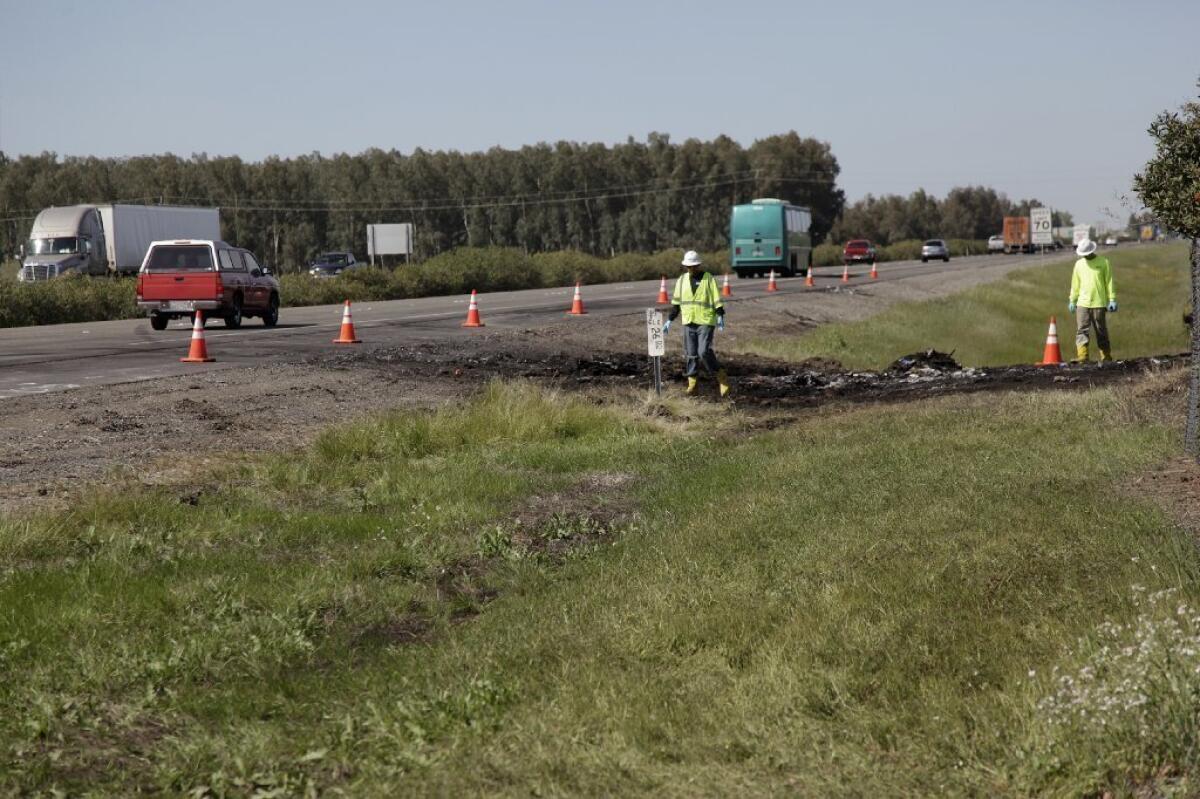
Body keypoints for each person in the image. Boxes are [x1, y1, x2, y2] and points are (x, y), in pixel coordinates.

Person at [663, 250, 729, 396]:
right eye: (688, 266)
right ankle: (692, 384)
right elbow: (677, 303)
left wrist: (720, 315)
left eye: (693, 266)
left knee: (703, 351)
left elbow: (716, 298)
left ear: (698, 265)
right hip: (688, 321)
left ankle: (721, 377)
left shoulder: (708, 278)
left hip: (705, 321)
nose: (691, 269)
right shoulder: (681, 280)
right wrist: (669, 320)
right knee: (691, 354)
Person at [1067, 238, 1117, 362]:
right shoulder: (1078, 265)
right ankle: (1082, 356)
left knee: (1101, 331)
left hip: (1099, 303)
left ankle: (1106, 357)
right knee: (1082, 330)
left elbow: (1109, 282)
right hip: (1082, 304)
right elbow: (1075, 284)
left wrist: (1112, 299)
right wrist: (1072, 300)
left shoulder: (1104, 262)